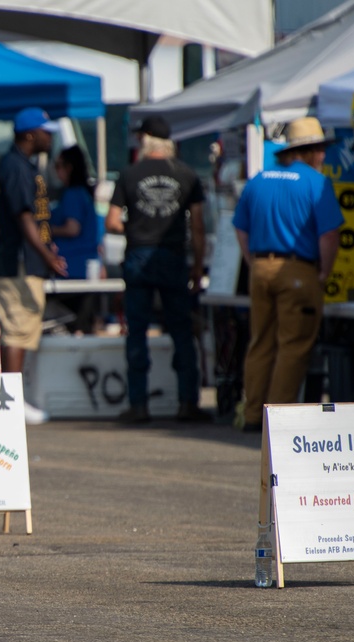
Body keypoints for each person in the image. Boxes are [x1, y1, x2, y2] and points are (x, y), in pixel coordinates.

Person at [232, 117, 344, 432]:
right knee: (293, 345)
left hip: (261, 267)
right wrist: (324, 271)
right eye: (320, 149)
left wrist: (253, 262)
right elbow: (329, 235)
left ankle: (253, 414)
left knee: (261, 341)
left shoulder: (259, 179)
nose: (322, 156)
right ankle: (277, 420)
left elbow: (240, 228)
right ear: (310, 151)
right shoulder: (316, 182)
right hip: (298, 269)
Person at [105, 116, 210, 424]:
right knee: (181, 330)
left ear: (145, 139)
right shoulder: (188, 175)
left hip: (139, 254)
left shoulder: (129, 174)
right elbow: (199, 227)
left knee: (136, 331)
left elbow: (111, 221)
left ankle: (138, 405)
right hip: (174, 256)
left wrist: (136, 228)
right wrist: (198, 266)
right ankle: (187, 403)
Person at [0, 107, 68, 426]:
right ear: (29, 134)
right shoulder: (16, 166)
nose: (50, 137)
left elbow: (32, 218)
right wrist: (46, 256)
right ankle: (11, 403)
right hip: (16, 261)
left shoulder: (21, 164)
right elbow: (23, 218)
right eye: (46, 131)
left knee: (24, 329)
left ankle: (16, 400)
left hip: (24, 259)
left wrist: (47, 248)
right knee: (17, 331)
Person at [51, 144, 103, 333]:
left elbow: (72, 228)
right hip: (85, 269)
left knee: (75, 326)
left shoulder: (73, 194)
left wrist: (44, 230)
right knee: (84, 325)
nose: (55, 171)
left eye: (58, 165)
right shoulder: (85, 194)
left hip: (71, 270)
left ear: (69, 167)